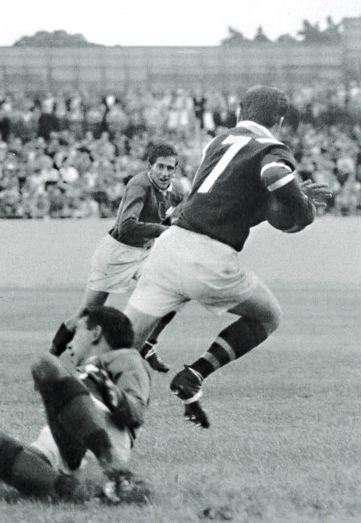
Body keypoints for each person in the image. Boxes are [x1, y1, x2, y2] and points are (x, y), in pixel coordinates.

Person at [122, 85, 333, 428]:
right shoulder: (271, 147)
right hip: (209, 258)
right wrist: (302, 206)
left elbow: (235, 203)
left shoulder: (218, 142)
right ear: (277, 121)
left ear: (239, 112)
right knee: (268, 317)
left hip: (170, 246)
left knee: (122, 344)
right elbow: (275, 175)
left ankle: (80, 408)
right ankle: (195, 373)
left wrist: (277, 202)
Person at [0, 306, 152, 505]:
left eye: (76, 333)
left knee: (44, 364)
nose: (70, 344)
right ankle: (72, 490)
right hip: (65, 449)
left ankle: (116, 470)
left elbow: (136, 412)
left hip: (103, 438)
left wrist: (109, 389)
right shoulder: (87, 373)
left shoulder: (126, 358)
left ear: (96, 333)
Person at [50, 143, 184, 373]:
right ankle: (50, 359)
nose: (164, 173)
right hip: (116, 253)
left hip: (144, 253)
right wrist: (163, 232)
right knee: (87, 314)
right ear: (149, 166)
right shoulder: (139, 185)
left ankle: (147, 345)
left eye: (169, 168)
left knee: (173, 292)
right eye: (160, 167)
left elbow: (170, 220)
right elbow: (125, 226)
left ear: (175, 169)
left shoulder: (177, 191)